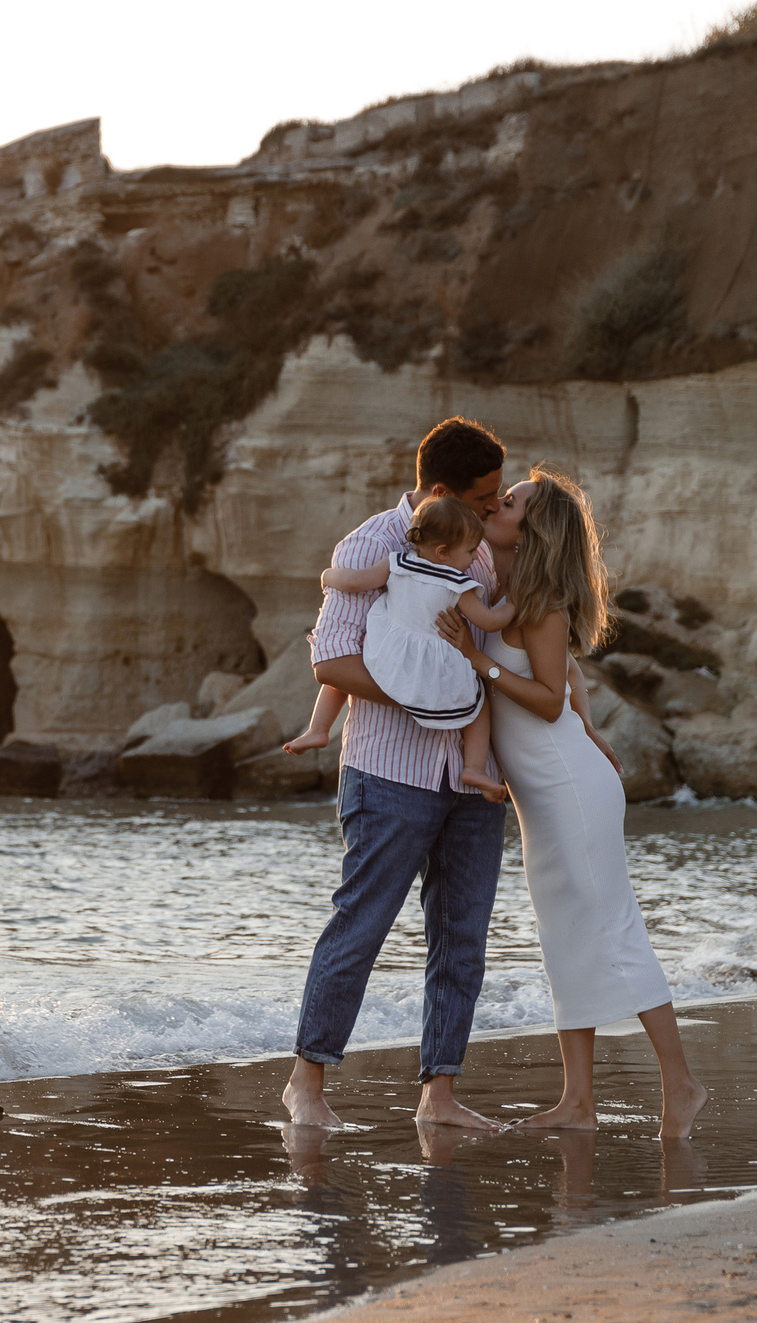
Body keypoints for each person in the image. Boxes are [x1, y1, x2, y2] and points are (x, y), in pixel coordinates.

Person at [436, 466, 710, 1141]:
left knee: (613, 929)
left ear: (533, 528)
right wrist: (587, 723)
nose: (498, 503)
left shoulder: (545, 600)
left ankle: (683, 1084)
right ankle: (577, 1100)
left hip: (571, 790)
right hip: (545, 795)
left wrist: (477, 660)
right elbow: (572, 682)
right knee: (563, 941)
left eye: (512, 501)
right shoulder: (508, 594)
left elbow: (547, 694)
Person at [281, 416, 512, 1132]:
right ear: (439, 490)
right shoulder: (371, 545)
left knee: (462, 935)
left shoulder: (477, 556)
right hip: (389, 772)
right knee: (362, 923)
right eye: (483, 499)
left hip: (469, 776)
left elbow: (480, 642)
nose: (492, 512)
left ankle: (439, 1095)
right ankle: (306, 1084)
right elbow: (332, 660)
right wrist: (430, 692)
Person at [285, 494, 516, 802]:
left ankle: (318, 729)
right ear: (444, 552)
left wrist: (328, 576)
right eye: (471, 551)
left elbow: (357, 582)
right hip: (430, 664)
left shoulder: (397, 562)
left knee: (347, 672)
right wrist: (513, 603)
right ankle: (474, 767)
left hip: (389, 648)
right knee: (477, 703)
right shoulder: (456, 584)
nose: (475, 558)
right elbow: (488, 621)